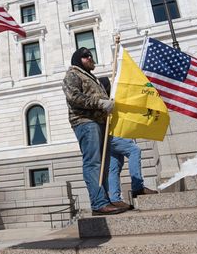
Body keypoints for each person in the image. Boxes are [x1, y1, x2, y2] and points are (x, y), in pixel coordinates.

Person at [62, 47, 127, 216]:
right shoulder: (73, 74)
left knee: (104, 163)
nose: (90, 58)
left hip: (100, 122)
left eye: (91, 55)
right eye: (85, 56)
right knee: (93, 162)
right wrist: (100, 103)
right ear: (78, 60)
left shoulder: (92, 78)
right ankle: (98, 203)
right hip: (85, 122)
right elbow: (73, 97)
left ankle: (105, 199)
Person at [98, 77, 158, 209]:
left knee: (114, 167)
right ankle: (138, 187)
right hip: (113, 134)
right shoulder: (105, 100)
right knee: (134, 151)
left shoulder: (109, 98)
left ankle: (115, 199)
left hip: (110, 136)